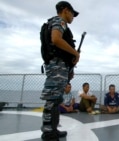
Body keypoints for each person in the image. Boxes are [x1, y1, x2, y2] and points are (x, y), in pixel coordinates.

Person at [39, 1, 80, 140]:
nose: (73, 16)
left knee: (56, 99)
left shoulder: (59, 23)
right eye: (72, 13)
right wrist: (75, 53)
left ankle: (53, 129)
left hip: (60, 67)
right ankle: (48, 131)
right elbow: (56, 39)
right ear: (64, 10)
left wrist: (69, 68)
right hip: (57, 67)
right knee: (52, 99)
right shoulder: (59, 21)